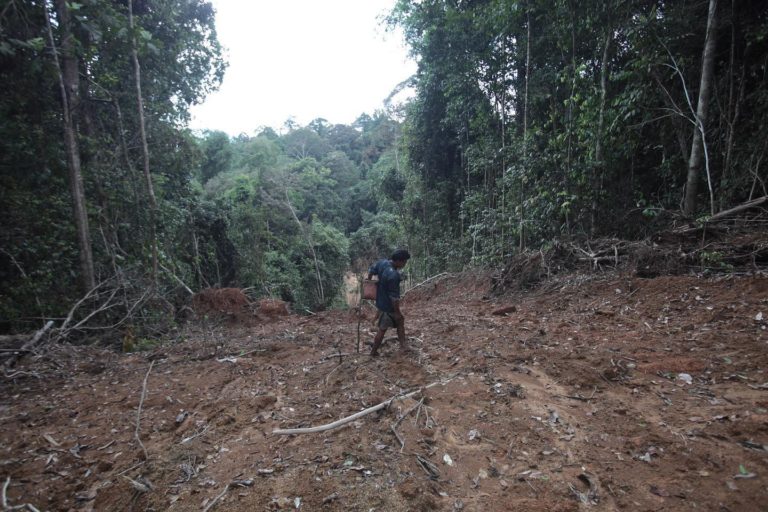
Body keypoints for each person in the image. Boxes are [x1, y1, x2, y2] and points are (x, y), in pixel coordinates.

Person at [367, 249, 410, 356]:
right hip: (388, 306)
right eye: (404, 262)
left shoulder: (382, 263)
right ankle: (373, 352)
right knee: (382, 329)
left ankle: (403, 346)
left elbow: (371, 270)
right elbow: (394, 298)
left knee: (400, 322)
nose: (405, 264)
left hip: (380, 301)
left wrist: (369, 283)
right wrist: (397, 312)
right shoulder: (393, 275)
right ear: (399, 261)